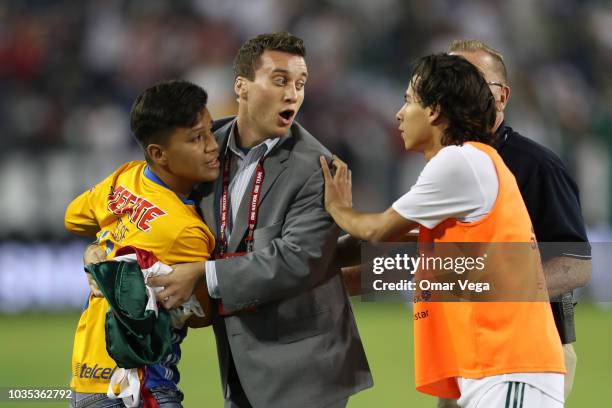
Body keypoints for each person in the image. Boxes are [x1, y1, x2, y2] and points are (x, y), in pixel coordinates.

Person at [321, 53, 566, 407]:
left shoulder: (460, 161)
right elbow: (391, 242)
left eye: (408, 100)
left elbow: (378, 230)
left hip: (511, 366)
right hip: (492, 368)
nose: (399, 114)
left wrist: (337, 206)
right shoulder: (471, 164)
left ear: (435, 110)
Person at [147, 32, 373, 408]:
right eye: (280, 80)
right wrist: (105, 243)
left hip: (308, 367)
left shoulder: (319, 169)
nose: (293, 94)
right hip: (241, 364)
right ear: (242, 86)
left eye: (300, 84)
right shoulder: (205, 147)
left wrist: (202, 274)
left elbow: (296, 260)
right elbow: (149, 195)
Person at [441, 39, 592, 407]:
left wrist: (501, 288)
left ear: (502, 97)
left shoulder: (537, 166)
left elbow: (576, 264)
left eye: (474, 82)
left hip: (523, 354)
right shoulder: (447, 163)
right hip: (466, 351)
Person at [66, 80, 220, 408]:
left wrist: (105, 244)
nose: (212, 146)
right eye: (197, 138)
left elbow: (73, 216)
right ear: (158, 153)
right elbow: (202, 315)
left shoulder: (126, 178)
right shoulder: (186, 230)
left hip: (86, 377)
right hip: (138, 385)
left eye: (210, 131)